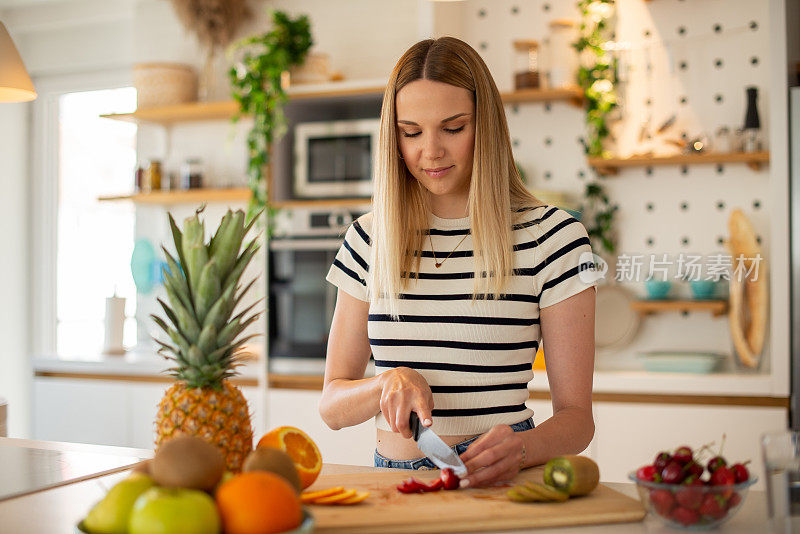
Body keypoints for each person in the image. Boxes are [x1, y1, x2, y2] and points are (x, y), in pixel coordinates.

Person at [319, 36, 597, 489]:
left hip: (502, 479)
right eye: (411, 132)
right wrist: (385, 383)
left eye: (453, 128)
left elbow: (577, 419)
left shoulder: (553, 239)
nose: (430, 151)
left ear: (485, 127)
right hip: (393, 481)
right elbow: (332, 404)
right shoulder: (368, 239)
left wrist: (522, 450)